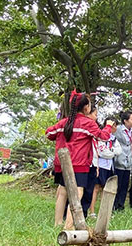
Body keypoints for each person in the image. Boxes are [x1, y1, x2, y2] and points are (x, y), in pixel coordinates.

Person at [45, 92, 114, 228]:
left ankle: (57, 223)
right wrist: (109, 126)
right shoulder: (88, 123)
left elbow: (49, 133)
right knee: (77, 192)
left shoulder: (64, 122)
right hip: (79, 164)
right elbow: (104, 136)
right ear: (86, 107)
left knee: (63, 191)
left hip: (63, 164)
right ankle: (69, 226)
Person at [88, 118, 121, 217]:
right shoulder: (101, 135)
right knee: (96, 188)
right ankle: (92, 211)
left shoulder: (114, 139)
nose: (114, 128)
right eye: (113, 125)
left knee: (105, 188)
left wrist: (111, 152)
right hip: (100, 164)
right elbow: (102, 151)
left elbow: (119, 151)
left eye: (115, 126)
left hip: (109, 166)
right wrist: (112, 152)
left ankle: (104, 212)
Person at [113, 111, 132, 211]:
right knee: (117, 185)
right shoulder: (118, 130)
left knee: (125, 185)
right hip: (119, 161)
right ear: (125, 121)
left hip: (128, 162)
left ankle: (121, 205)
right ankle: (114, 204)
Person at [80, 105, 100, 217]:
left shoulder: (94, 128)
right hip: (83, 163)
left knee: (89, 190)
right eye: (95, 114)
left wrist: (96, 166)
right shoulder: (84, 126)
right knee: (80, 190)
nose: (96, 118)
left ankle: (84, 213)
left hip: (93, 163)